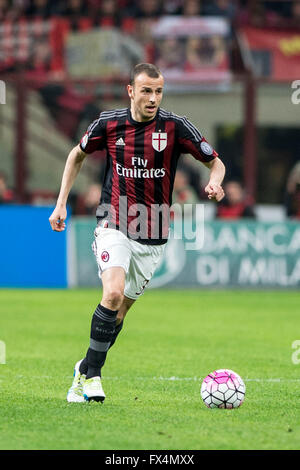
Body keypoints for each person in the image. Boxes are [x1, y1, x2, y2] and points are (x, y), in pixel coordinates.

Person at [49, 63, 225, 403]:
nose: (153, 98)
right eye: (146, 90)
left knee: (119, 313)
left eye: (158, 91)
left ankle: (83, 369)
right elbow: (76, 155)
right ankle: (94, 377)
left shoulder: (175, 127)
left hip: (154, 230)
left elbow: (215, 161)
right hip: (113, 220)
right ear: (131, 90)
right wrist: (61, 204)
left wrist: (214, 180)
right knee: (112, 295)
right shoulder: (109, 123)